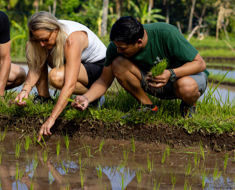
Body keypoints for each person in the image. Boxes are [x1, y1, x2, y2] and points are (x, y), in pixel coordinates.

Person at [71, 16, 208, 119]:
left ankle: (188, 105)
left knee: (186, 86)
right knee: (118, 63)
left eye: (123, 48)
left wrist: (170, 73)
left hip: (183, 80)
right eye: (116, 46)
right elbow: (104, 80)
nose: (118, 50)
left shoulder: (166, 33)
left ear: (139, 42)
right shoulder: (116, 47)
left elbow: (200, 64)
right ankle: (148, 107)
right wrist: (87, 98)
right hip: (154, 83)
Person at [13, 12, 107, 135]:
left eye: (44, 39)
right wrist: (25, 90)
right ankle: (44, 98)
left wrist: (51, 119)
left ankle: (93, 96)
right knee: (32, 47)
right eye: (38, 39)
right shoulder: (44, 37)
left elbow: (70, 84)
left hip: (98, 67)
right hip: (78, 64)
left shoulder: (72, 40)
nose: (41, 43)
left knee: (56, 77)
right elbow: (36, 67)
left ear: (56, 30)